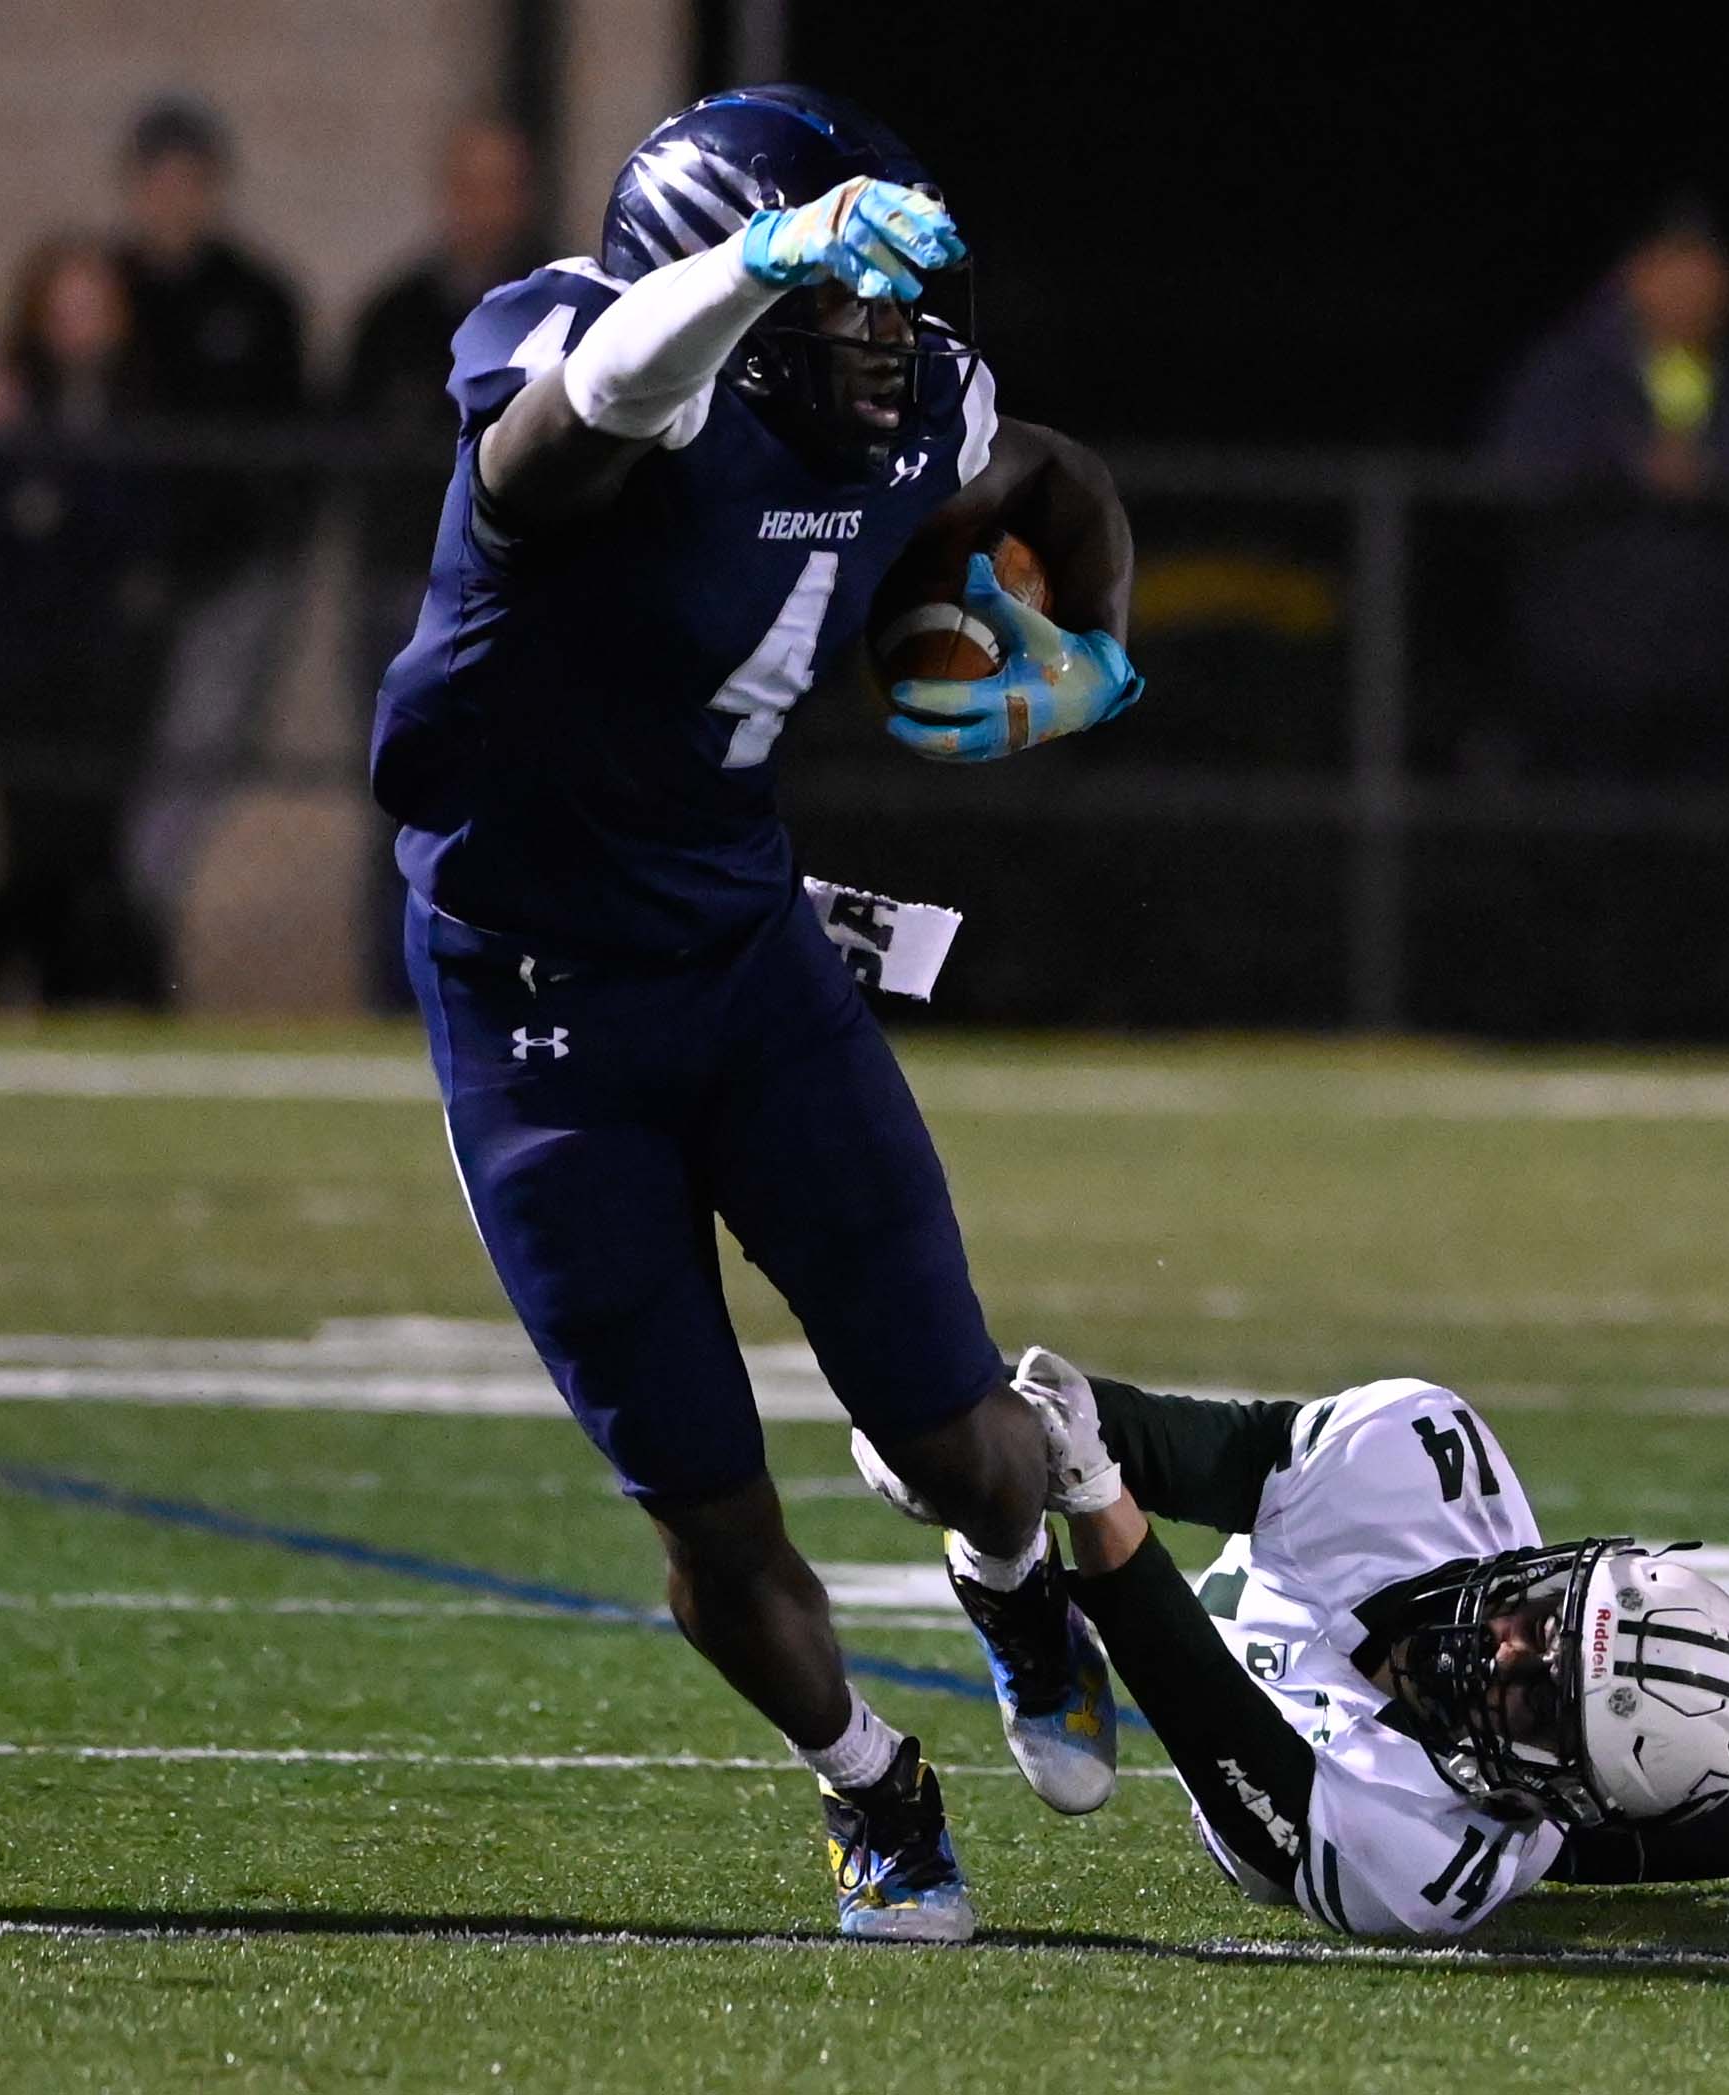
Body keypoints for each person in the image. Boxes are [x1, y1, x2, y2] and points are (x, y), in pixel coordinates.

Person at [368, 86, 1148, 1943]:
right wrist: (757, 265)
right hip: (537, 1014)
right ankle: (874, 1783)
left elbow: (1043, 473)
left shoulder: (912, 396)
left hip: (742, 956)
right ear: (733, 277)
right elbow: (584, 428)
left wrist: (1101, 648)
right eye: (841, 300)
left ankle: (1015, 1570)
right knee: (713, 1519)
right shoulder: (582, 354)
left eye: (887, 301)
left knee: (961, 1429)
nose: (882, 344)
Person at [860, 1353, 1729, 1938]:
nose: (1505, 1634)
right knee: (1711, 1700)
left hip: (1290, 1784)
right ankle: (1007, 1588)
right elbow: (1193, 1444)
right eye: (1541, 1613)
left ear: (1531, 1776)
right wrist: (1053, 1433)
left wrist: (1096, 1505)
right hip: (1318, 1632)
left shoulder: (1436, 1851)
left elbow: (1221, 1733)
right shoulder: (1417, 1464)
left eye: (1526, 1674)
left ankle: (1019, 1574)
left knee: (1091, 1753)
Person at [1479, 200, 1729, 775]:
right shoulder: (1567, 368)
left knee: (1716, 831)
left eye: (1707, 268)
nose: (1690, 288)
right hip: (1584, 661)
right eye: (1670, 266)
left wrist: (1718, 477)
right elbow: (1517, 468)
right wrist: (1626, 468)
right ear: (1630, 272)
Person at [341, 116, 544, 1010]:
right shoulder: (394, 317)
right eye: (469, 184)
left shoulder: (567, 306)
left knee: (521, 810)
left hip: (533, 604)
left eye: (499, 184)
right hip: (409, 597)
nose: (482, 206)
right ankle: (397, 998)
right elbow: (345, 453)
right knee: (406, 809)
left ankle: (509, 1002)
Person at [0, 236, 173, 1008]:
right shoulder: (7, 397)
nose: (79, 325)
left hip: (108, 655)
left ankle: (85, 994)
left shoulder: (140, 401)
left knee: (94, 832)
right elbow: (6, 523)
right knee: (28, 830)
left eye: (93, 307)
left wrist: (50, 478)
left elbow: (123, 524)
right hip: (15, 651)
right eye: (63, 308)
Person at [112, 94, 311, 964]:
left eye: (190, 181)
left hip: (229, 576)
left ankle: (137, 937)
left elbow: (299, 439)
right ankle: (107, 948)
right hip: (115, 586)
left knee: (187, 772)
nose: (174, 200)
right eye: (159, 181)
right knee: (99, 774)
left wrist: (269, 542)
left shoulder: (258, 298)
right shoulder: (105, 289)